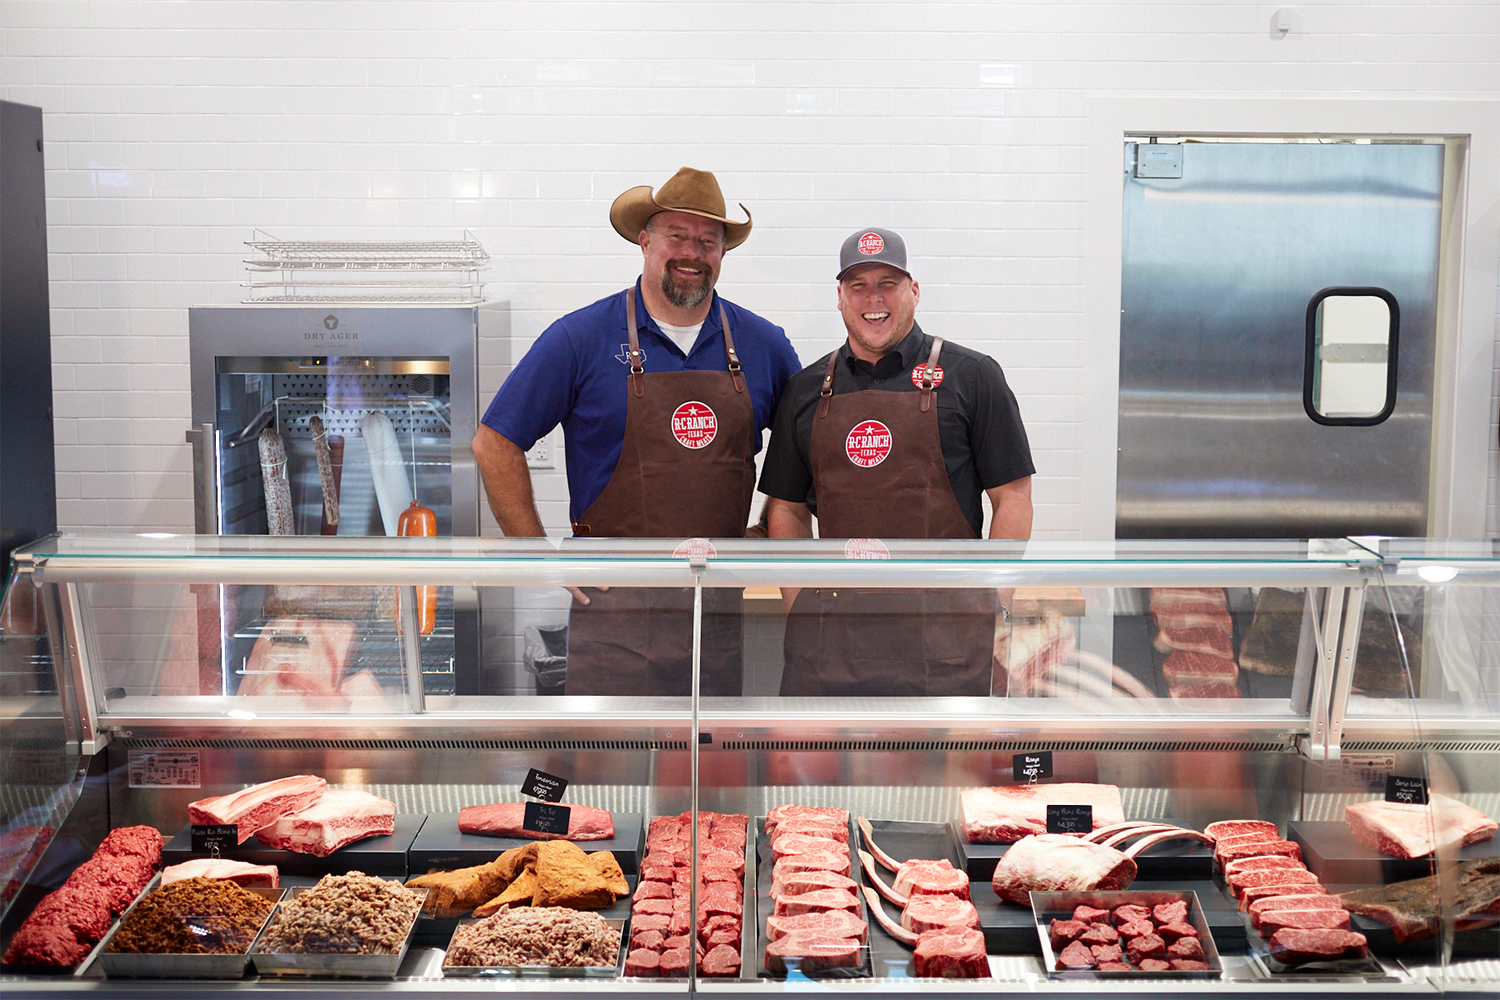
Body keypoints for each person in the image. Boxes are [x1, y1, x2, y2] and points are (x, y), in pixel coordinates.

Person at [472, 168, 800, 696]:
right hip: (613, 614)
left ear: (722, 254)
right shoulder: (579, 338)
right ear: (645, 242)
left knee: (703, 773)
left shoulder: (764, 345)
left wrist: (765, 536)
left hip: (713, 610)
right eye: (677, 236)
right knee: (606, 775)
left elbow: (805, 457)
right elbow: (493, 442)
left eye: (707, 241)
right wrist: (539, 554)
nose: (692, 252)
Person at [758, 228, 1034, 696]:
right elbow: (786, 508)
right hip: (831, 642)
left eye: (888, 283)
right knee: (825, 770)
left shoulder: (973, 376)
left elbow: (1013, 497)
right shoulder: (806, 390)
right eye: (859, 285)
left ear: (914, 291)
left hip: (945, 639)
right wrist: (798, 601)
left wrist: (994, 598)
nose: (874, 298)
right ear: (840, 298)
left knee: (944, 770)